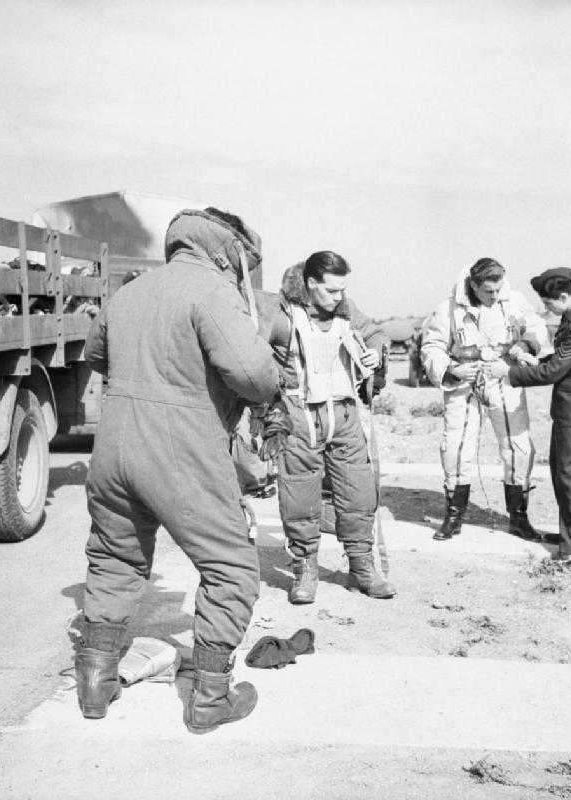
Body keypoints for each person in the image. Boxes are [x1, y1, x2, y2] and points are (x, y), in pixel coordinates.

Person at [76, 207, 280, 733]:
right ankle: (210, 698)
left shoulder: (130, 292)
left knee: (115, 557)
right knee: (231, 566)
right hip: (179, 448)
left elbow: (97, 355)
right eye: (244, 262)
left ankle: (95, 684)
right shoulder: (212, 290)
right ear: (227, 250)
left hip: (114, 447)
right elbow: (254, 375)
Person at [262, 250, 395, 603]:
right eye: (332, 291)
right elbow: (250, 354)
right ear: (310, 283)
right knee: (299, 496)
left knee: (358, 493)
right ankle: (305, 568)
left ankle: (362, 565)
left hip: (345, 416)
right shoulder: (282, 317)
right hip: (300, 417)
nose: (340, 297)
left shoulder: (347, 311)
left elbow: (377, 334)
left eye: (343, 290)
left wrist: (374, 354)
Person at [420, 257, 552, 541]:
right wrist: (451, 369)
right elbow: (431, 347)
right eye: (488, 291)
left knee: (518, 445)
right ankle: (454, 516)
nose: (495, 296)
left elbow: (538, 327)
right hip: (464, 381)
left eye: (498, 289)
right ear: (474, 285)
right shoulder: (448, 310)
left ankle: (518, 517)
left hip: (503, 376)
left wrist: (525, 344)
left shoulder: (513, 301)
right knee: (455, 446)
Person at [485, 267, 571, 567]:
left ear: (564, 296)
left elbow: (555, 372)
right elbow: (561, 359)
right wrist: (534, 359)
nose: (546, 308)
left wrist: (510, 373)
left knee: (570, 477)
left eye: (549, 302)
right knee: (562, 473)